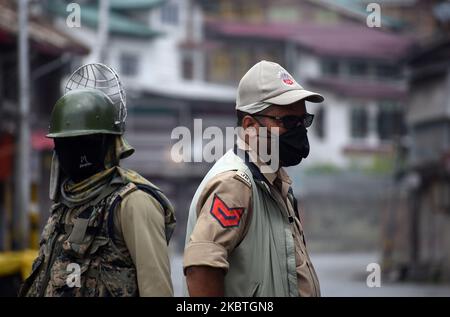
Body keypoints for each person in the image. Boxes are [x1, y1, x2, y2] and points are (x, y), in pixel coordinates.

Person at [183, 60, 323, 297]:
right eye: (289, 122)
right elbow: (201, 268)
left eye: (303, 121)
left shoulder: (274, 183)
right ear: (250, 126)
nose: (299, 130)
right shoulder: (235, 184)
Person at [19, 88, 176, 297]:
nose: (74, 151)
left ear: (107, 143)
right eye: (66, 143)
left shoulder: (133, 203)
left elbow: (157, 289)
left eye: (85, 142)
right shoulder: (65, 205)